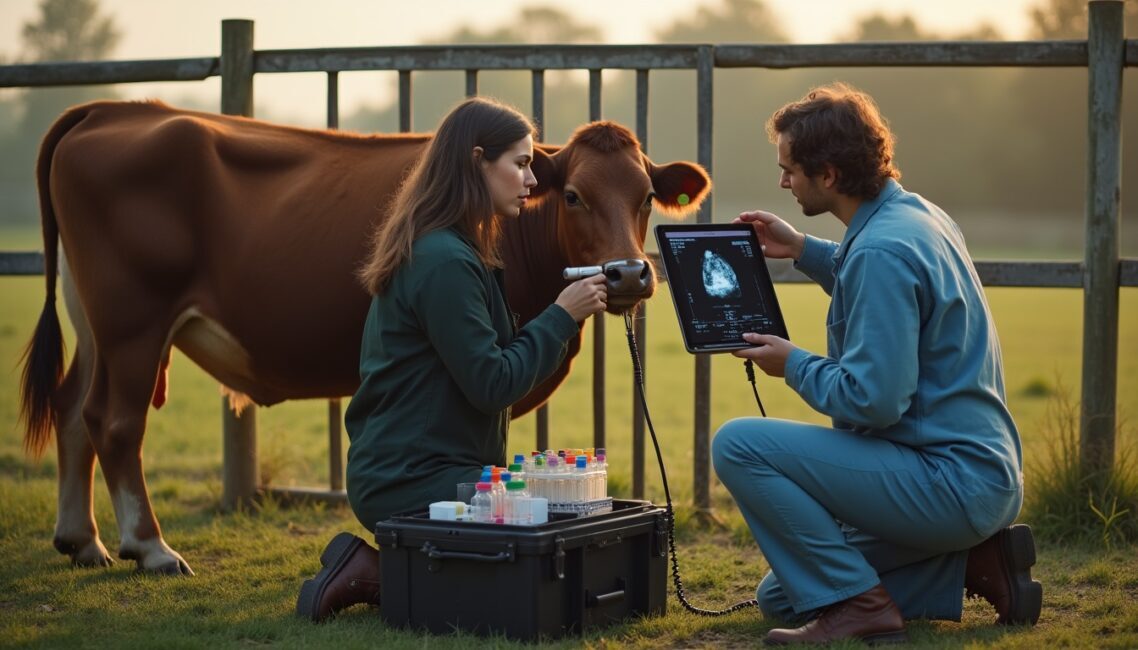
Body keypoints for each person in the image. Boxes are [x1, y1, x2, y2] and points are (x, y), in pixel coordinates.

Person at [710, 83, 1042, 645]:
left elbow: (875, 399)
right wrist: (803, 250)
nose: (782, 182)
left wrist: (792, 364)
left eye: (789, 169)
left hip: (945, 481)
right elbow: (880, 283)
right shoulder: (916, 215)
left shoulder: (882, 251)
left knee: (738, 443)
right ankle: (977, 564)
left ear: (830, 175)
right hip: (983, 477)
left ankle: (862, 606)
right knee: (782, 595)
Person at [295, 97, 608, 622]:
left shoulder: (460, 251)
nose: (533, 180)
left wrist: (559, 319)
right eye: (521, 163)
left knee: (563, 511)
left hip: (441, 472)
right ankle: (369, 572)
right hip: (407, 480)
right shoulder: (443, 261)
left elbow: (496, 365)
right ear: (476, 161)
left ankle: (388, 563)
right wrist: (561, 315)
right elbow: (492, 382)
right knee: (545, 533)